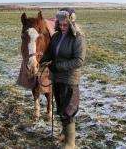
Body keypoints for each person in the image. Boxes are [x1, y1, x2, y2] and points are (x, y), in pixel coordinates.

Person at [41, 8, 86, 149]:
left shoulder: (78, 38)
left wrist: (58, 66)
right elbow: (49, 53)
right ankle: (64, 133)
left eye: (65, 24)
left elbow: (79, 60)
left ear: (72, 22)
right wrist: (43, 60)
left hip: (69, 79)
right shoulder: (56, 36)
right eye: (60, 24)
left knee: (69, 110)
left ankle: (70, 143)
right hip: (56, 78)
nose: (62, 27)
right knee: (61, 108)